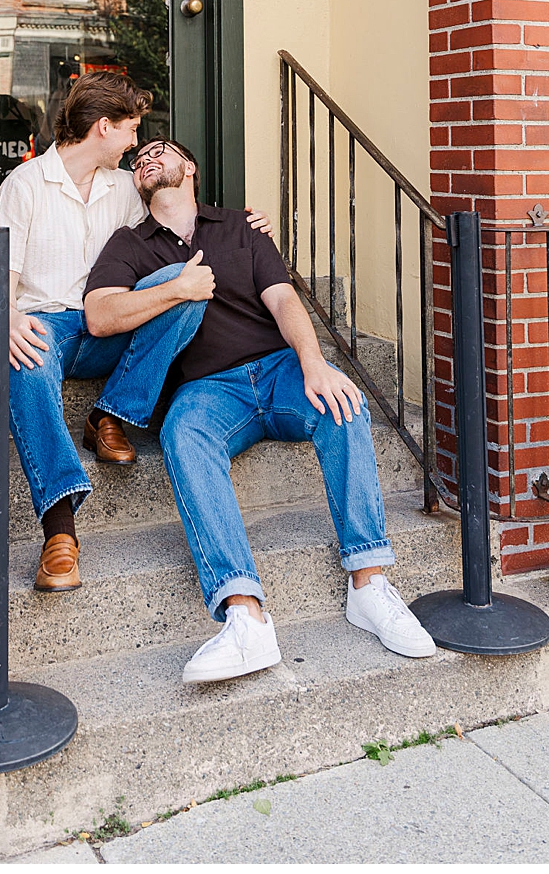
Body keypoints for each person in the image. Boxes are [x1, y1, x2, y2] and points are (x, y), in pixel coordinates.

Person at [82, 137, 437, 683]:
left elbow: (284, 298)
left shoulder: (242, 226)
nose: (146, 159)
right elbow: (100, 318)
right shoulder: (129, 244)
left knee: (344, 405)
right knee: (183, 435)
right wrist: (174, 289)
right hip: (208, 389)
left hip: (277, 369)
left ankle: (369, 584)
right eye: (138, 158)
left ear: (191, 167)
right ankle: (244, 617)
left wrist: (314, 362)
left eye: (160, 151)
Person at [0, 75, 261, 591]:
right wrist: (6, 319)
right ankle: (60, 530)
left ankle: (109, 413)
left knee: (178, 286)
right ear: (102, 127)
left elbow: (178, 215)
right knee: (23, 358)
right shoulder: (25, 186)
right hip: (46, 326)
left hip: (108, 326)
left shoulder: (123, 186)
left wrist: (246, 224)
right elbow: (1, 277)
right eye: (131, 130)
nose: (136, 144)